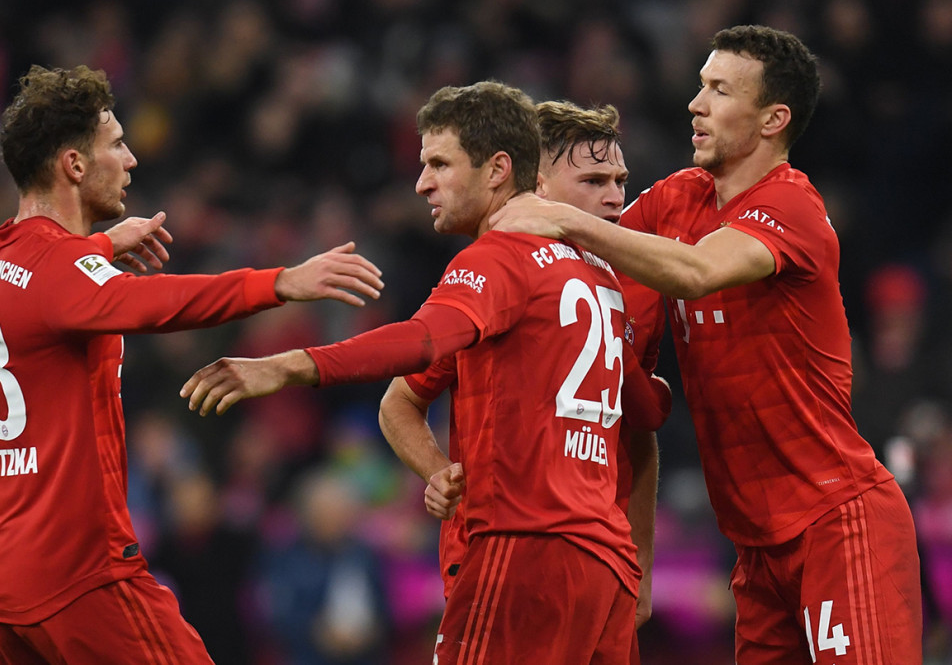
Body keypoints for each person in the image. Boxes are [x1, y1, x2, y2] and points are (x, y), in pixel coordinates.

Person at [182, 80, 672, 664]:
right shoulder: (601, 283)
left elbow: (420, 340)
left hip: (524, 546)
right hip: (604, 562)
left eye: (440, 164)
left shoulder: (502, 258)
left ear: (498, 170)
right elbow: (647, 411)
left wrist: (290, 365)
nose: (422, 183)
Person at [490, 25, 923, 663]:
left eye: (720, 90)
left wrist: (561, 216)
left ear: (773, 119)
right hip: (754, 545)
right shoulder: (678, 200)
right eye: (700, 85)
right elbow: (582, 282)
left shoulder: (791, 205)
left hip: (838, 520)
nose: (695, 104)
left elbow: (693, 271)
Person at [0, 64, 384, 664]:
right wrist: (281, 281)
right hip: (80, 573)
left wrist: (100, 245)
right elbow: (160, 303)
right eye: (116, 144)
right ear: (74, 165)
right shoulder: (63, 274)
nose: (130, 160)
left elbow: (43, 281)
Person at [375, 99, 664, 661]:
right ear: (536, 184)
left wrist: (642, 568)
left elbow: (639, 431)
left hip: (590, 563)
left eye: (620, 181)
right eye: (594, 180)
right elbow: (400, 399)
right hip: (509, 549)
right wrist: (437, 471)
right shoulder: (500, 273)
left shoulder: (630, 283)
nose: (614, 196)